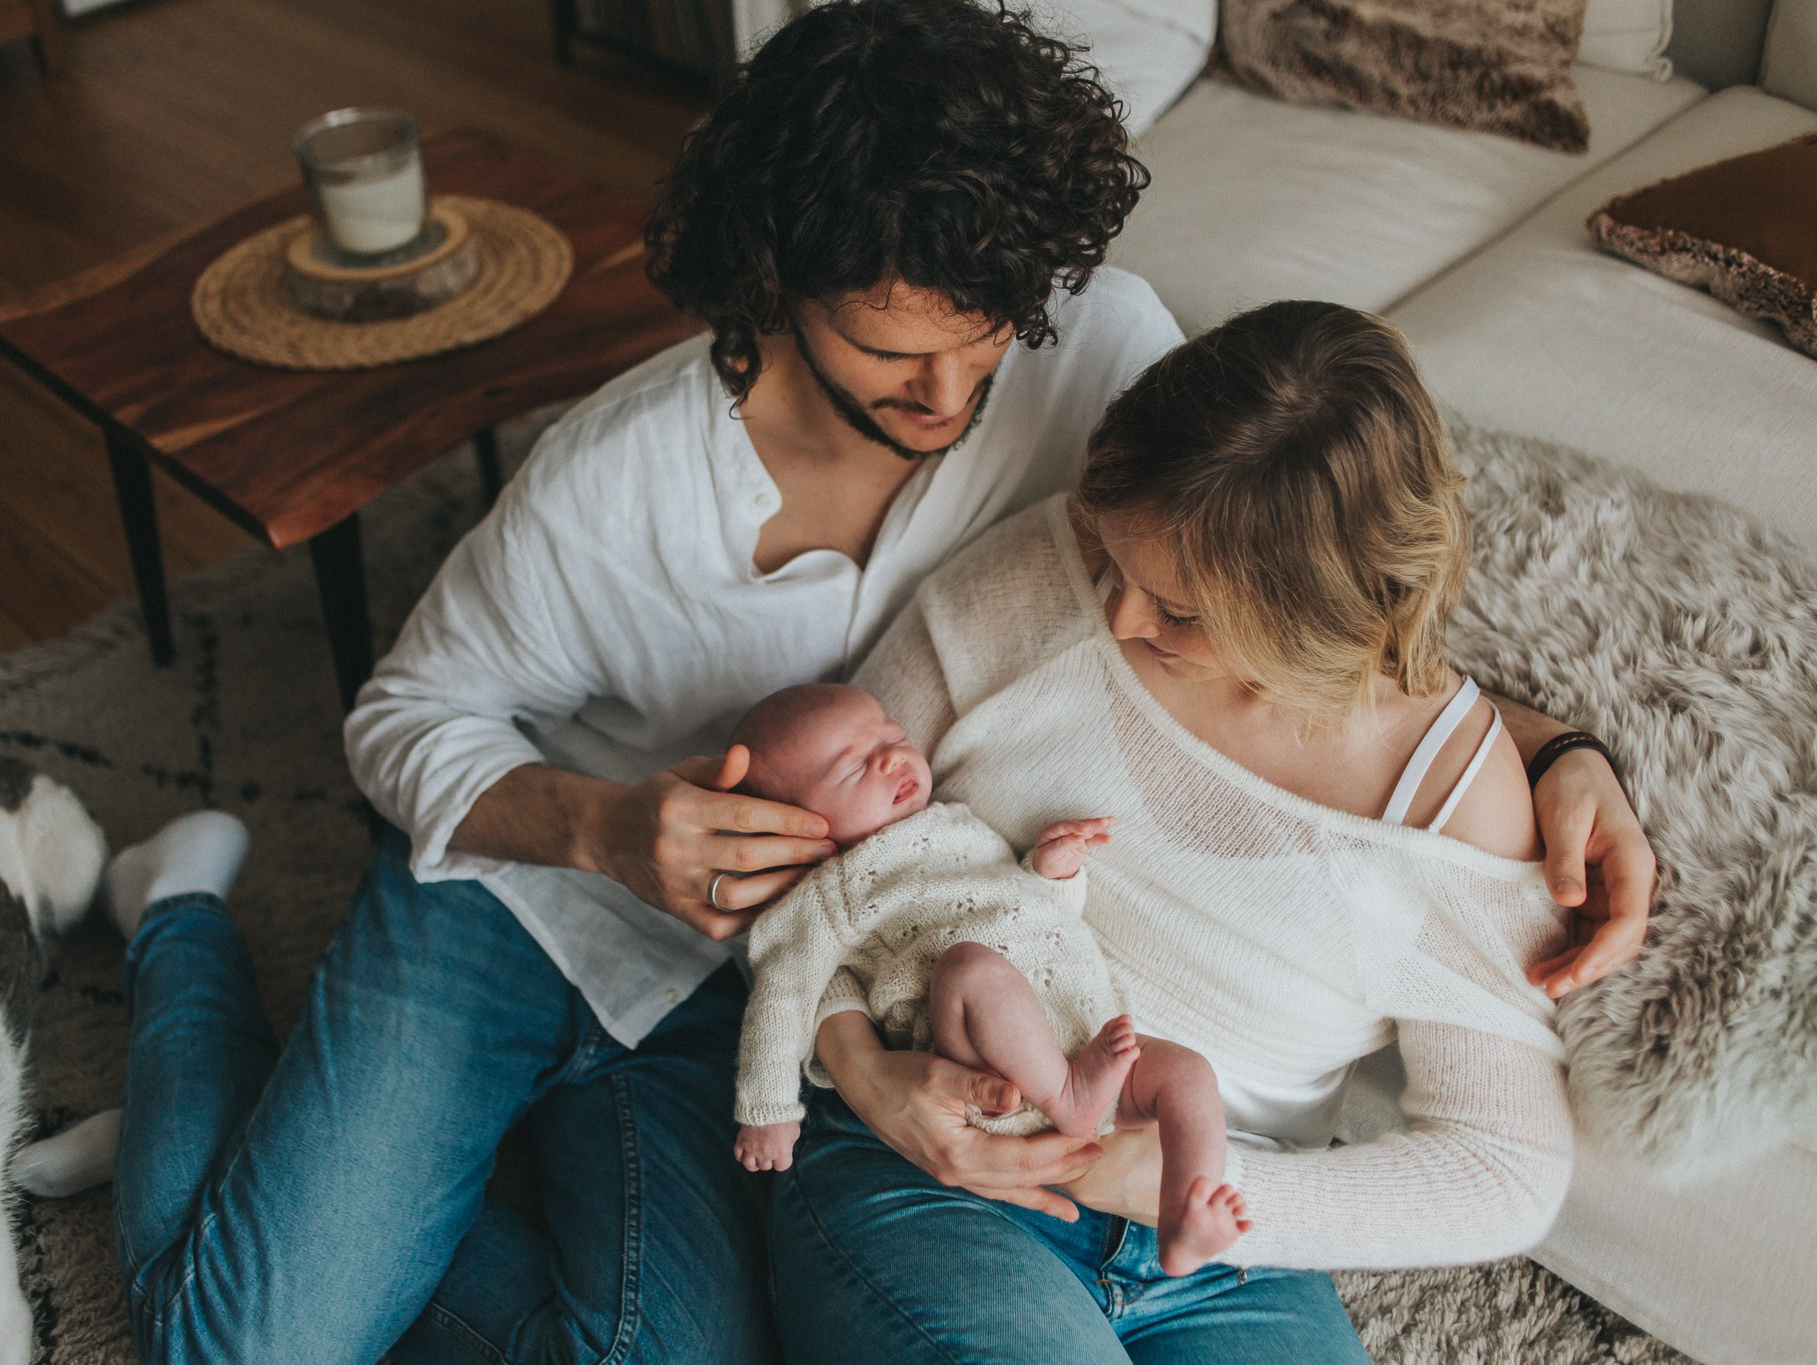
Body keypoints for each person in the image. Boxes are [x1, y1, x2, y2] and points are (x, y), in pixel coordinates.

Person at [104, 2, 1654, 1361]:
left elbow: (1267, 578)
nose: (956, 401)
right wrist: (597, 827)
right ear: (771, 280)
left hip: (752, 972)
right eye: (897, 356)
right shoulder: (613, 484)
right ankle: (183, 935)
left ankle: (409, 1187)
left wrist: (1550, 749)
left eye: (986, 352)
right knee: (243, 1337)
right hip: (528, 900)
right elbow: (400, 719)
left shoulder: (1091, 350)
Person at [771, 299, 1583, 1360]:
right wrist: (860, 1072)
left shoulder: (1446, 802)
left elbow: (1504, 1169)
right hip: (943, 1168)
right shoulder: (1039, 584)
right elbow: (804, 862)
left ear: (1326, 611)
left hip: (1215, 1255)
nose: (1114, 619)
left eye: (1179, 611)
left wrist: (1216, 1185)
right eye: (1115, 563)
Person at [725, 682, 1250, 1276]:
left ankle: (1187, 1214)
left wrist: (1050, 874)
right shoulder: (829, 894)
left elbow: (1023, 912)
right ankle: (1065, 1095)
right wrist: (768, 1109)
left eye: (892, 737)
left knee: (1188, 1073)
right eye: (855, 767)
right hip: (989, 1072)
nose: (894, 758)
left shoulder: (956, 823)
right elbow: (784, 993)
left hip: (1083, 1034)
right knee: (969, 965)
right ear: (799, 829)